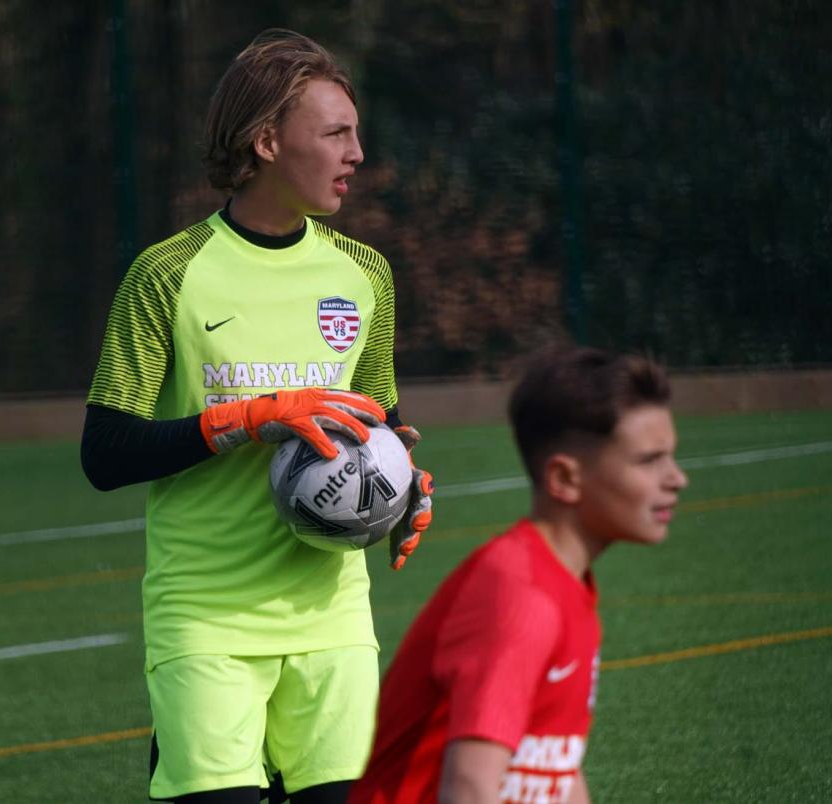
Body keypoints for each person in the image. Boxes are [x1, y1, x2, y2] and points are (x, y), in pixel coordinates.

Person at [80, 29, 433, 803]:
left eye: (356, 131)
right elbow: (104, 454)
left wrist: (405, 486)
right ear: (267, 141)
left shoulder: (363, 275)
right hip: (207, 617)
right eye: (336, 133)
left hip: (332, 619)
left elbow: (381, 421)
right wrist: (243, 419)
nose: (358, 152)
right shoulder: (168, 275)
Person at [350, 345, 688, 804]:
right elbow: (469, 789)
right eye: (649, 461)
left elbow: (556, 770)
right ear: (564, 479)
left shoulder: (564, 586)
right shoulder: (521, 595)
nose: (677, 479)